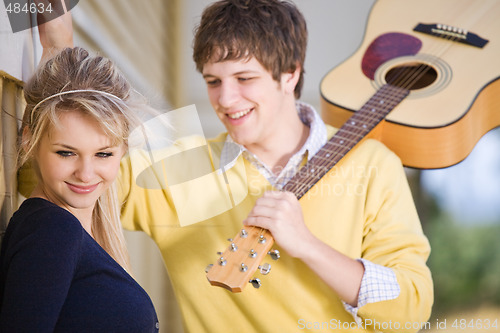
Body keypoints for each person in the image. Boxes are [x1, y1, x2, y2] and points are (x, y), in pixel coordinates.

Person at [19, 0, 433, 332]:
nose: (226, 100)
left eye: (244, 78)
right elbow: (46, 172)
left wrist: (306, 244)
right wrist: (59, 49)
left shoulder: (372, 163)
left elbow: (411, 309)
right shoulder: (181, 162)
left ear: (290, 74)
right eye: (213, 81)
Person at [1, 44, 160, 331]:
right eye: (66, 153)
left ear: (122, 149)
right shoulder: (51, 230)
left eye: (103, 154)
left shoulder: (74, 232)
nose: (86, 175)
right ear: (29, 141)